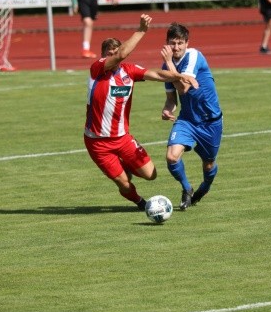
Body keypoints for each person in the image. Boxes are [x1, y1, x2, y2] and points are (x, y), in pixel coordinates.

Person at [84, 14, 199, 211]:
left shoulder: (128, 71)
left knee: (150, 174)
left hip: (122, 138)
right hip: (98, 142)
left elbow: (155, 74)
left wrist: (180, 75)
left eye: (116, 51)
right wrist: (141, 30)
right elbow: (120, 55)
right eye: (109, 53)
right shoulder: (97, 70)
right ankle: (141, 203)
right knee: (124, 183)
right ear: (103, 56)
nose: (114, 55)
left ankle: (125, 164)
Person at [160, 22, 223, 210]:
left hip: (210, 121)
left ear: (187, 43)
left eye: (180, 43)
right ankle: (187, 188)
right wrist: (167, 109)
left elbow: (184, 88)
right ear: (167, 43)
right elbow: (172, 97)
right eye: (172, 43)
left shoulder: (194, 56)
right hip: (187, 119)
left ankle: (205, 187)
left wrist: (170, 65)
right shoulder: (166, 65)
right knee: (172, 157)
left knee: (209, 164)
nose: (176, 47)